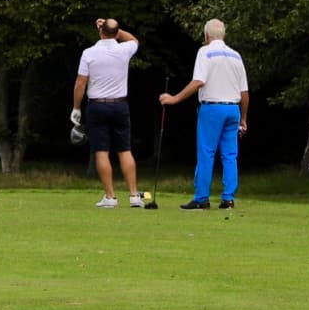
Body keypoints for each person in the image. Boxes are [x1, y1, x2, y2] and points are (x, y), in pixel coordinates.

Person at [159, 19, 250, 210]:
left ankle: (202, 198)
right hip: (233, 109)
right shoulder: (236, 56)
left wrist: (175, 98)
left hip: (212, 108)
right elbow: (244, 92)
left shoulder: (205, 52)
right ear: (224, 35)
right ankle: (228, 198)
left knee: (206, 152)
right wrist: (243, 118)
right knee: (230, 155)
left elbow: (198, 81)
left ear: (206, 36)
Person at [72, 18, 149, 208]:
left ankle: (110, 197)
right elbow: (134, 40)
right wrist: (115, 30)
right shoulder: (124, 49)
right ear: (116, 33)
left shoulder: (89, 53)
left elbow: (81, 83)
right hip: (120, 105)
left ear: (100, 31)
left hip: (97, 106)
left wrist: (76, 107)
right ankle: (133, 196)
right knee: (124, 150)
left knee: (101, 151)